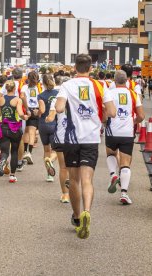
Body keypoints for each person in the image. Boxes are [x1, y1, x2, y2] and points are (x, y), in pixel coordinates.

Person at [55, 54, 116, 239]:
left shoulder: (67, 85)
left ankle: (76, 216)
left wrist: (67, 105)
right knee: (87, 179)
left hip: (72, 138)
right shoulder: (99, 85)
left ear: (75, 67)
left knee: (74, 181)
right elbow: (112, 111)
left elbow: (58, 108)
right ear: (91, 68)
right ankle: (87, 211)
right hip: (91, 137)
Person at [105, 70, 144, 204]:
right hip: (127, 132)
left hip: (112, 131)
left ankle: (113, 175)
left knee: (111, 153)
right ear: (127, 80)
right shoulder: (133, 94)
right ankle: (124, 194)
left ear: (114, 81)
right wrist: (133, 121)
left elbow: (106, 113)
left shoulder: (109, 93)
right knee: (125, 163)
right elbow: (141, 116)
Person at [0, 80, 27, 183]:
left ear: (6, 89)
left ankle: (3, 161)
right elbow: (20, 113)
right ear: (14, 89)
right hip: (14, 128)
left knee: (4, 151)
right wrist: (25, 116)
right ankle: (12, 176)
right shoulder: (17, 100)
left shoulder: (0, 99)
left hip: (3, 127)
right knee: (14, 151)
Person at [45, 75, 70, 203]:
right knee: (77, 166)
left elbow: (51, 116)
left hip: (61, 135)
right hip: (77, 136)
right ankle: (73, 184)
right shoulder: (76, 98)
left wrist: (48, 119)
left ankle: (65, 195)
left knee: (63, 167)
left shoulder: (56, 99)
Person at [37, 75, 59, 183]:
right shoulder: (58, 94)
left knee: (46, 149)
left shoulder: (41, 95)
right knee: (55, 150)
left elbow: (42, 109)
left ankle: (49, 175)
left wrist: (38, 112)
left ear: (43, 83)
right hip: (55, 123)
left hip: (43, 124)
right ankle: (51, 160)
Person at [21, 71, 41, 165]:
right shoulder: (39, 87)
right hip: (36, 110)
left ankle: (25, 151)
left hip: (27, 110)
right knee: (32, 132)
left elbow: (22, 97)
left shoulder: (25, 87)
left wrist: (27, 109)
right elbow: (41, 99)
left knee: (26, 132)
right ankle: (29, 152)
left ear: (28, 78)